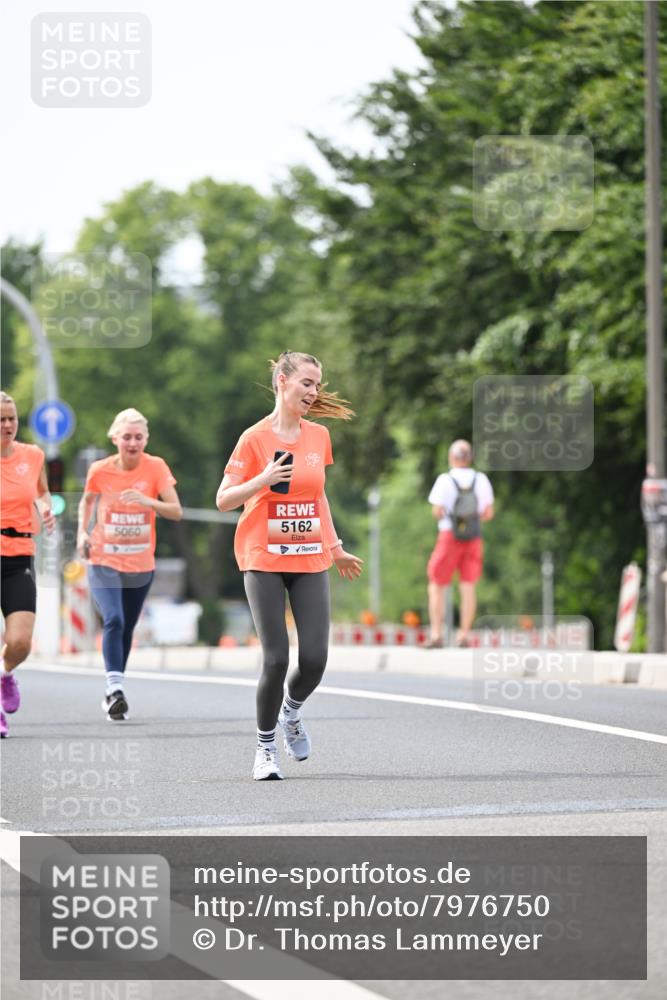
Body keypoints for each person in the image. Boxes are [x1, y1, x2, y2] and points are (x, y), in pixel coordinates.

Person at [216, 351, 363, 781]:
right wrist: (261, 480)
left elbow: (318, 497)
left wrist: (335, 547)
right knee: (276, 658)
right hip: (262, 557)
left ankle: (291, 714)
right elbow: (224, 499)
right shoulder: (254, 438)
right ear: (283, 381)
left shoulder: (318, 437)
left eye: (318, 385)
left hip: (309, 555)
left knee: (315, 659)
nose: (314, 392)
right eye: (307, 383)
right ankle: (264, 749)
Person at [77, 408, 182, 720]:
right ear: (115, 438)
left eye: (138, 437)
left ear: (146, 439)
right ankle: (115, 688)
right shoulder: (100, 469)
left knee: (126, 628)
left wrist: (148, 501)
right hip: (103, 559)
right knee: (113, 619)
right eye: (127, 437)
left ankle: (112, 692)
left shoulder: (156, 468)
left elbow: (175, 511)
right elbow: (87, 500)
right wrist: (82, 531)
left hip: (140, 564)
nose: (133, 443)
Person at [1, 391, 56, 737]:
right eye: (0, 420)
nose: (7, 425)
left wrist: (46, 507)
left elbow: (42, 491)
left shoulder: (32, 455)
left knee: (20, 642)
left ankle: (5, 674)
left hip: (19, 554)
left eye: (12, 419)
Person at [426, 439, 494, 648]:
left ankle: (437, 634)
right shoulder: (481, 479)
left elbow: (437, 511)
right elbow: (488, 513)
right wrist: (469, 520)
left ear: (451, 458)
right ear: (470, 458)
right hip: (473, 537)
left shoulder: (445, 480)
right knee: (468, 585)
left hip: (449, 536)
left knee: (437, 583)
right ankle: (464, 635)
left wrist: (455, 518)